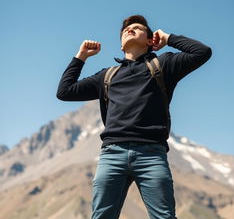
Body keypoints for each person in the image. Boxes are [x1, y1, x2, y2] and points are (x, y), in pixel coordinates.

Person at [56, 15, 212, 219]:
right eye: (125, 30)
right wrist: (81, 56)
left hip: (152, 155)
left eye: (138, 28)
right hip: (112, 155)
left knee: (164, 217)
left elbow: (203, 52)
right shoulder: (107, 75)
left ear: (150, 41)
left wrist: (168, 38)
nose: (130, 30)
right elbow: (65, 91)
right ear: (121, 45)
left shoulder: (163, 65)